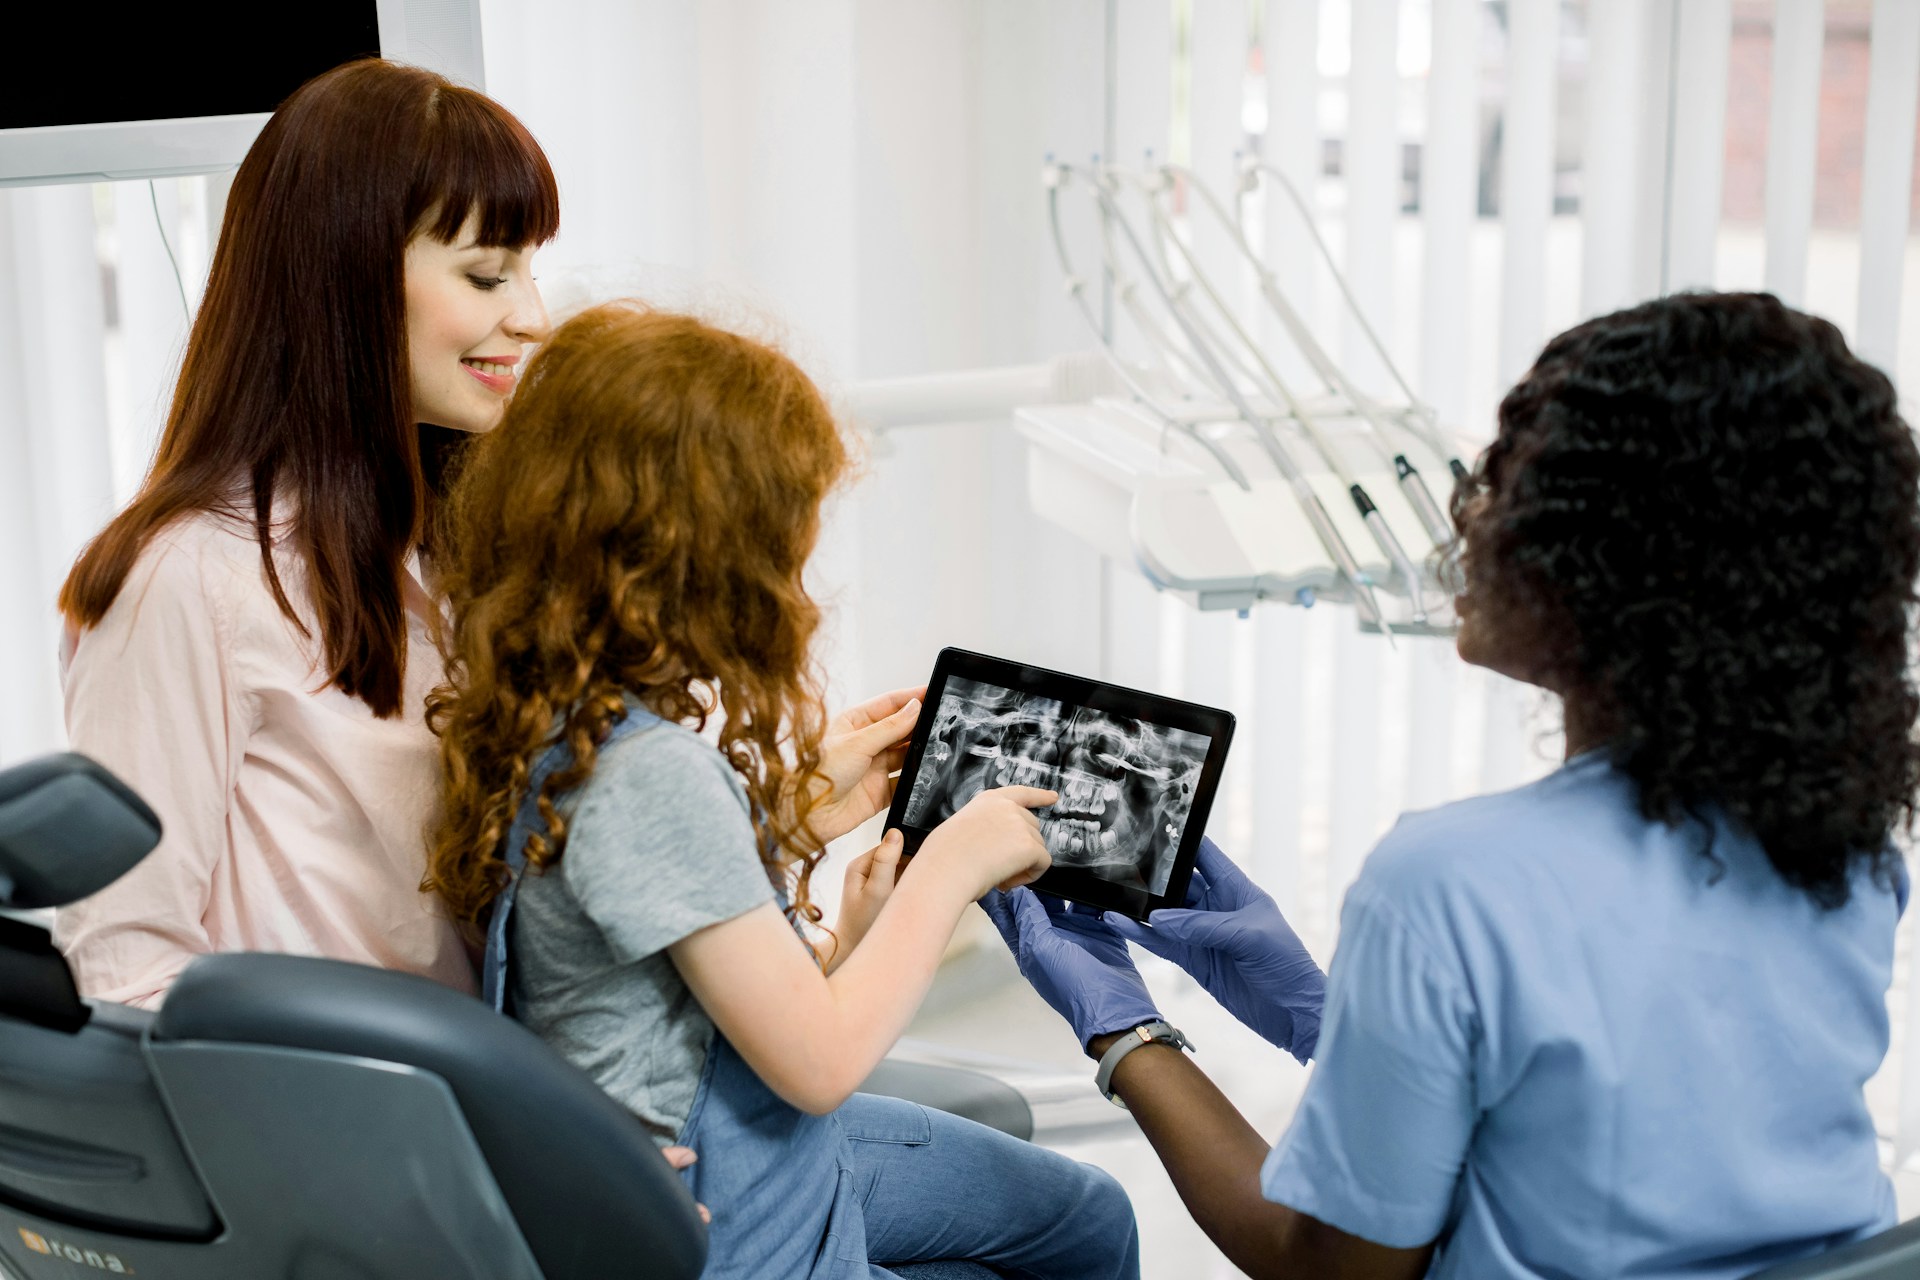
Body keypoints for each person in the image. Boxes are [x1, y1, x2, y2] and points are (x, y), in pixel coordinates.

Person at [987, 291, 1917, 1279]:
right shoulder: (1847, 853)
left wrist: (1125, 1029)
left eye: (1509, 477)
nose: (1466, 510)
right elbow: (1592, 1144)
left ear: (1616, 560)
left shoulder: (1444, 883)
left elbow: (1330, 1269)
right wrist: (1325, 1012)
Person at [425, 302, 1142, 1280]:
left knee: (1080, 1215)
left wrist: (777, 822)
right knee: (1086, 1227)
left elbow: (650, 952)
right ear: (708, 555)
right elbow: (816, 1064)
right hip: (726, 1217)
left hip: (708, 1170)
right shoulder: (654, 775)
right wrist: (953, 867)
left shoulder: (553, 715)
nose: (800, 578)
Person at [54, 60, 558, 1008]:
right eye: (488, 273)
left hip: (496, 1095)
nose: (532, 317)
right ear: (349, 276)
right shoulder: (186, 578)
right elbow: (121, 975)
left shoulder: (445, 553)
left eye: (532, 270)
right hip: (354, 1131)